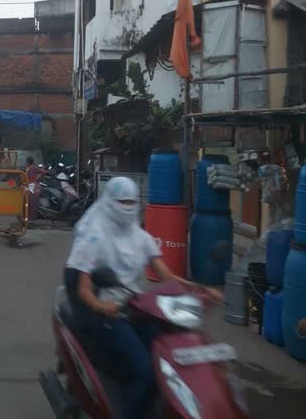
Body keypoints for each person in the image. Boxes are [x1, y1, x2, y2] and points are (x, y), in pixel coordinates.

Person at [64, 177, 222, 419]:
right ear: (110, 202)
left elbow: (169, 278)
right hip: (110, 311)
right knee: (146, 369)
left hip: (137, 306)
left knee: (169, 355)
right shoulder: (94, 236)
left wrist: (201, 289)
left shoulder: (141, 237)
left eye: (132, 202)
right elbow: (84, 287)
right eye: (122, 202)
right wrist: (101, 306)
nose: (128, 207)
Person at [25, 156, 45, 221]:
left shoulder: (34, 167)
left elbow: (43, 172)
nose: (26, 163)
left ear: (28, 162)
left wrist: (37, 178)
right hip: (29, 185)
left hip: (33, 186)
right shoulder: (28, 167)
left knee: (32, 203)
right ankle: (28, 217)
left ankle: (31, 218)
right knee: (28, 202)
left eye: (26, 161)